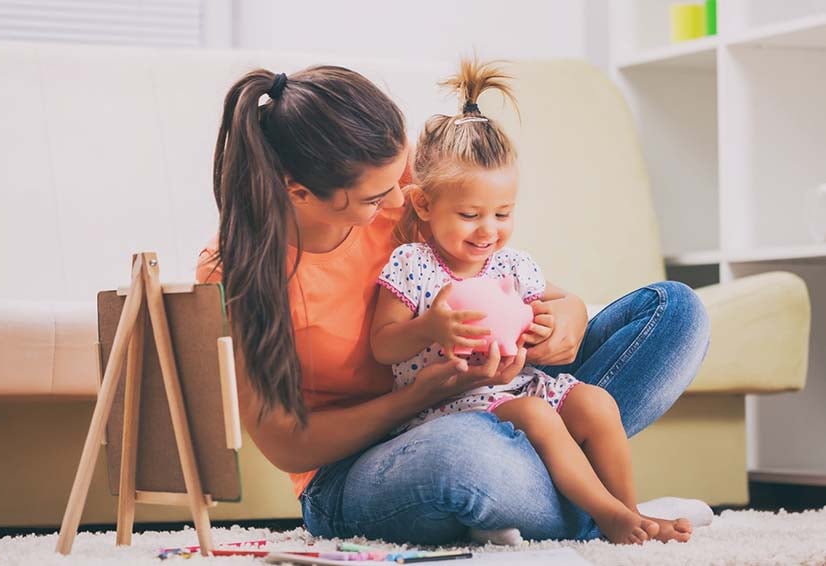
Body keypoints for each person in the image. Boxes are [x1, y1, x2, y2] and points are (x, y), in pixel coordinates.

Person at [196, 62, 711, 545]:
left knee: (675, 312)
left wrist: (567, 316)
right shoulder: (237, 271)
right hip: (366, 463)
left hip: (500, 394)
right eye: (376, 199)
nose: (400, 204)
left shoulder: (392, 183)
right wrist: (418, 396)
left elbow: (506, 280)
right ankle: (604, 507)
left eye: (402, 179)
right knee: (464, 457)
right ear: (299, 191)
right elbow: (288, 444)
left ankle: (577, 502)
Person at [370, 59, 692, 545]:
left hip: (518, 387)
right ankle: (605, 514)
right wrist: (429, 329)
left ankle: (629, 511)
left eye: (503, 213)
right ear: (424, 205)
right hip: (450, 411)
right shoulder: (411, 265)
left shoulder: (513, 265)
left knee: (596, 402)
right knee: (539, 415)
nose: (488, 230)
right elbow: (382, 345)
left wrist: (544, 328)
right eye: (470, 214)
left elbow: (548, 310)